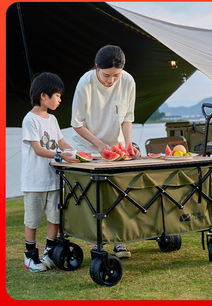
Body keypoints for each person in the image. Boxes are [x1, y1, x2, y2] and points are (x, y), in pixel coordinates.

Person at [71, 45, 140, 258]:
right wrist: (99, 144)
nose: (111, 81)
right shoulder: (85, 83)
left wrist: (128, 144)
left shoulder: (128, 81)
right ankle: (96, 243)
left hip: (117, 148)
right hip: (89, 147)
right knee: (95, 197)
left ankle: (120, 242)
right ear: (96, 68)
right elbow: (77, 123)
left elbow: (127, 117)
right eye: (106, 75)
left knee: (121, 194)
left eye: (115, 75)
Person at [21, 72, 80, 272]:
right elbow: (38, 149)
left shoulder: (53, 119)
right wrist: (61, 155)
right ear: (44, 96)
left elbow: (61, 142)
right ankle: (30, 257)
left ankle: (50, 251)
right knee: (33, 219)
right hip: (34, 181)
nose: (60, 99)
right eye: (58, 96)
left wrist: (75, 152)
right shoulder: (30, 120)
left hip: (54, 180)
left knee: (55, 217)